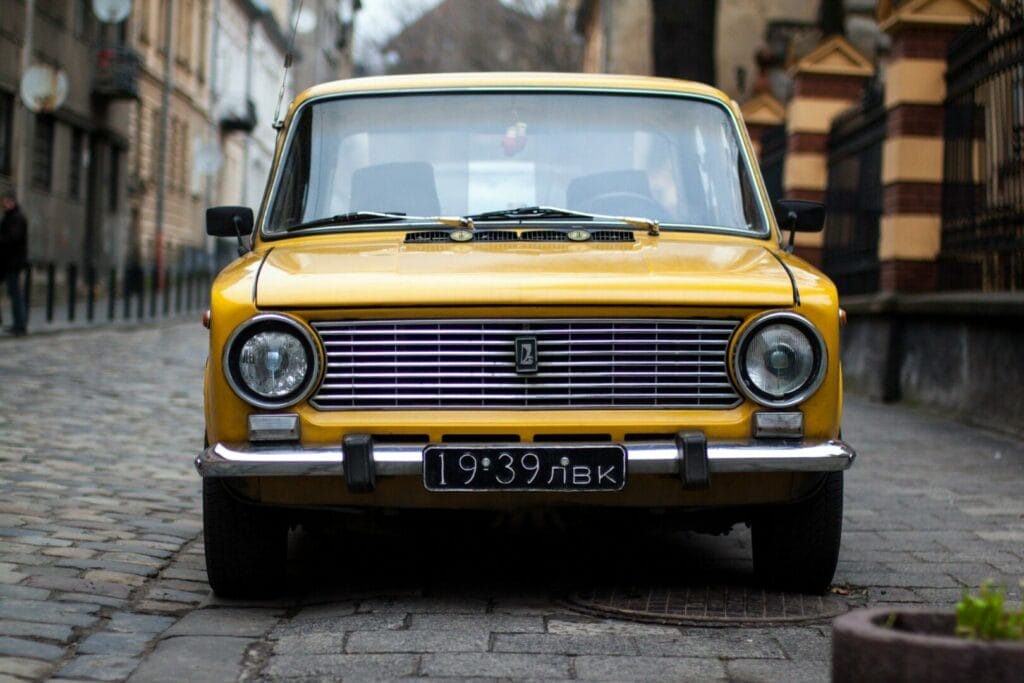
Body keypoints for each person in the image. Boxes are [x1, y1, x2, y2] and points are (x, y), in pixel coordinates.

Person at [0, 190, 28, 336]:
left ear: (11, 202)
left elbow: (13, 238)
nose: (3, 204)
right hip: (6, 262)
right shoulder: (10, 217)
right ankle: (18, 324)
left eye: (5, 201)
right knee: (14, 292)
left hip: (13, 262)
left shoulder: (17, 218)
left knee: (15, 293)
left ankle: (20, 325)